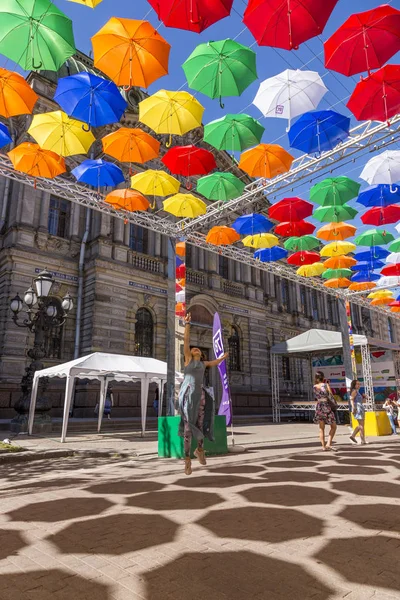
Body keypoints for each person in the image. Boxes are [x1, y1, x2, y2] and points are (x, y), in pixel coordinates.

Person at [179, 313, 228, 475]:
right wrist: (187, 324)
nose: (195, 348)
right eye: (194, 349)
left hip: (200, 397)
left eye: (197, 348)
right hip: (189, 398)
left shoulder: (203, 363)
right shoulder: (188, 360)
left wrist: (223, 357)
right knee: (188, 429)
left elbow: (214, 362)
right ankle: (187, 460)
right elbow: (186, 342)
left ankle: (200, 450)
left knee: (201, 425)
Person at [313, 371, 337, 451]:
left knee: (321, 428)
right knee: (333, 426)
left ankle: (323, 447)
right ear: (323, 378)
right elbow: (331, 396)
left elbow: (317, 397)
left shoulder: (314, 387)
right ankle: (329, 443)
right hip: (326, 406)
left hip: (319, 406)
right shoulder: (326, 385)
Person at [349, 379, 367, 445]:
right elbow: (351, 400)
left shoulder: (357, 391)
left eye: (359, 384)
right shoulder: (354, 391)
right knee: (361, 425)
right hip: (358, 408)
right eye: (357, 384)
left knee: (361, 425)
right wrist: (353, 408)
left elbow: (362, 401)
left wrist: (365, 397)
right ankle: (361, 439)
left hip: (360, 407)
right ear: (354, 385)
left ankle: (355, 437)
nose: (359, 385)